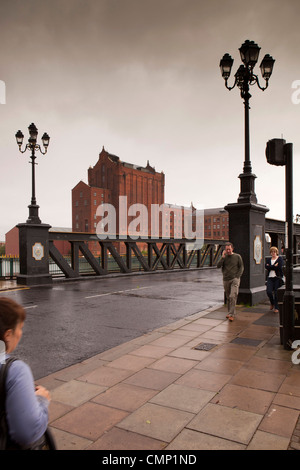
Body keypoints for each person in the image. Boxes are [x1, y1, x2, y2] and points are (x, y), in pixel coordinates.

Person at [0, 297, 51, 449]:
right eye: (20, 328)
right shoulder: (15, 371)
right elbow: (27, 433)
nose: (20, 333)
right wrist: (42, 400)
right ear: (8, 334)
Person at [217, 242, 244, 321]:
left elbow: (241, 267)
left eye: (229, 249)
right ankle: (230, 312)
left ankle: (231, 314)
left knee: (233, 296)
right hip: (226, 279)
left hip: (234, 279)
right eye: (226, 249)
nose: (228, 251)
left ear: (232, 248)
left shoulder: (237, 256)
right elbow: (218, 266)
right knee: (228, 297)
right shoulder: (224, 257)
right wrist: (222, 257)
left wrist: (237, 276)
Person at [265, 246, 284, 313]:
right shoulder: (268, 260)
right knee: (269, 291)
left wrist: (270, 267)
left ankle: (276, 307)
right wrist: (273, 266)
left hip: (277, 278)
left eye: (274, 252)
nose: (273, 253)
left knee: (276, 293)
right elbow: (266, 267)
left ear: (276, 252)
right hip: (270, 277)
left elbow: (279, 267)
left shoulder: (280, 259)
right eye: (272, 252)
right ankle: (272, 303)